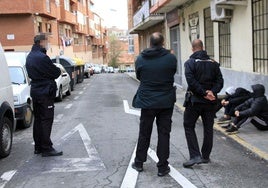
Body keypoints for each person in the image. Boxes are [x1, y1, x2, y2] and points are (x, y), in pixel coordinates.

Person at [132, 32, 177, 176]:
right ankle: (162, 167)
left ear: (150, 43)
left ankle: (139, 163)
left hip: (147, 101)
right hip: (165, 101)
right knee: (164, 134)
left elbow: (139, 76)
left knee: (144, 133)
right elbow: (172, 73)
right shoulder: (171, 58)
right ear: (163, 43)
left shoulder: (140, 59)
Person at [183, 39, 223, 168]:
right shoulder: (214, 63)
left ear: (192, 49)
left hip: (195, 101)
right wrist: (212, 92)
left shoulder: (190, 63)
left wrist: (203, 92)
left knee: (189, 126)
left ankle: (195, 156)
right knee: (208, 128)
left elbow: (191, 81)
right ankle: (205, 156)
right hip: (210, 102)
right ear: (203, 47)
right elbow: (220, 81)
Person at [26, 34, 63, 157]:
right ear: (41, 42)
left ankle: (39, 147)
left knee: (38, 120)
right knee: (46, 120)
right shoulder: (42, 57)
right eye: (47, 41)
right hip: (45, 92)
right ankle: (46, 148)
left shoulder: (30, 56)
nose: (48, 43)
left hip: (36, 91)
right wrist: (56, 71)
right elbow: (55, 72)